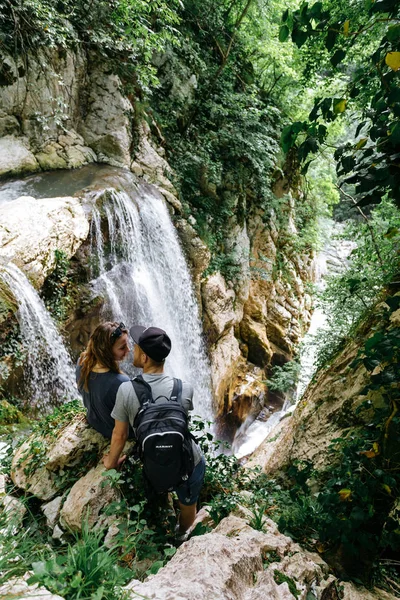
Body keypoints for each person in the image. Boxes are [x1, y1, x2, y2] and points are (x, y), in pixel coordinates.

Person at [103, 325, 205, 541]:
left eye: (136, 347)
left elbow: (119, 435)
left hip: (153, 462)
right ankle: (180, 536)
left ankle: (159, 531)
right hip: (189, 463)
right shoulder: (184, 388)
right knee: (188, 506)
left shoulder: (127, 390)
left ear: (145, 357)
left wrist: (111, 463)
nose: (132, 349)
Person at [76, 321, 130, 439]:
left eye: (127, 344)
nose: (128, 350)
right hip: (113, 432)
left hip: (95, 422)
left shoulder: (82, 362)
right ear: (106, 352)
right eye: (122, 348)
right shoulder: (120, 382)